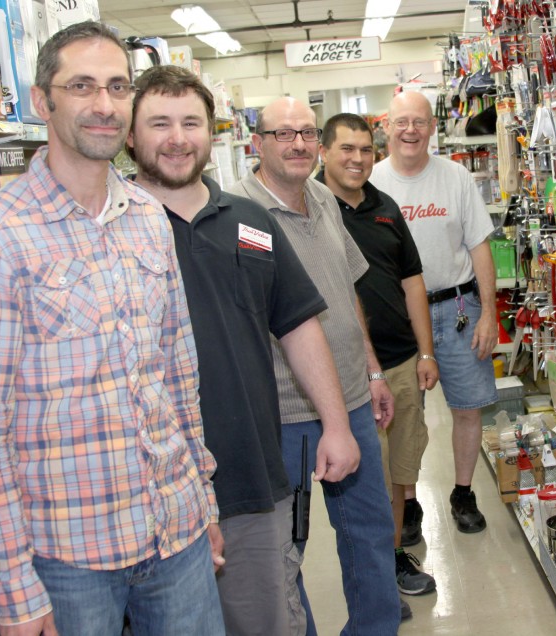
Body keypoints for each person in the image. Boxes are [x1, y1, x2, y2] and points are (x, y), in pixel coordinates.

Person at [0, 22, 224, 635]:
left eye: (118, 86)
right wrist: (12, 582)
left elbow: (178, 376)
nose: (104, 105)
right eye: (82, 85)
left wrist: (204, 501)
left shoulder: (147, 216)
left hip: (177, 533)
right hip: (65, 558)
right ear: (43, 101)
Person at [126, 65, 361, 635]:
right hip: (145, 491)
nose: (178, 138)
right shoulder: (113, 226)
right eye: (159, 123)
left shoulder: (250, 222)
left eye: (191, 122)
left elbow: (299, 325)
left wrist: (336, 423)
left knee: (266, 621)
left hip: (252, 476)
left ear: (215, 132)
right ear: (130, 137)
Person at [227, 97, 400, 635]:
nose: (298, 144)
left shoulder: (323, 198)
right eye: (284, 134)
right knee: (286, 550)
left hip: (350, 399)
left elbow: (348, 292)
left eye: (306, 132)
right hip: (285, 413)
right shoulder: (236, 216)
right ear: (257, 143)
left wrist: (372, 371)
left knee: (371, 532)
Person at [317, 113, 438, 598]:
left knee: (398, 475)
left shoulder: (385, 206)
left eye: (366, 149)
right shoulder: (312, 209)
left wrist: (425, 352)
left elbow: (412, 280)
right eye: (346, 149)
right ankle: (372, 579)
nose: (357, 159)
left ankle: (390, 563)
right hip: (347, 373)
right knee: (366, 479)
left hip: (402, 361)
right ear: (324, 152)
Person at [370, 91, 499, 537]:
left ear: (431, 126)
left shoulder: (456, 177)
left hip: (460, 309)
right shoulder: (371, 182)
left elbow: (479, 245)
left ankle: (463, 493)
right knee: (404, 415)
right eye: (402, 121)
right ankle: (408, 504)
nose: (410, 130)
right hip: (400, 321)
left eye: (419, 122)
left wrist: (490, 313)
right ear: (387, 127)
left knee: (468, 408)